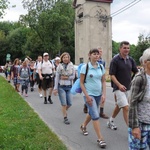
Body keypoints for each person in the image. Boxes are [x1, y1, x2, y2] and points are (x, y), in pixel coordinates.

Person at [107, 41, 138, 130]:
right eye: (124, 48)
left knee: (119, 105)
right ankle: (131, 129)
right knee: (126, 107)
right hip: (118, 88)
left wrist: (133, 80)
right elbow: (112, 75)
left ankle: (110, 121)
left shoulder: (130, 60)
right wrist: (119, 85)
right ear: (120, 49)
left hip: (128, 87)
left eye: (128, 48)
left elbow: (136, 71)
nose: (126, 50)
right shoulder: (115, 60)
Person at [80, 48, 106, 148]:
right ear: (89, 55)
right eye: (94, 54)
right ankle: (100, 138)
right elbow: (81, 83)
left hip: (98, 94)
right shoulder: (85, 67)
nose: (96, 56)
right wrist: (86, 96)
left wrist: (104, 94)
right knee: (95, 115)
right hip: (89, 94)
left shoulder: (100, 67)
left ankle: (83, 126)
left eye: (97, 54)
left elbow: (103, 81)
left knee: (91, 112)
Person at [128, 48, 150, 150]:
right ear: (145, 62)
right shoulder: (140, 79)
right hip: (140, 123)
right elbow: (132, 103)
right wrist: (134, 126)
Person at [53, 52, 75, 125]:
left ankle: (64, 110)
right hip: (61, 87)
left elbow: (73, 76)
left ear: (69, 58)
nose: (66, 59)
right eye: (64, 57)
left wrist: (66, 77)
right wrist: (55, 88)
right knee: (64, 103)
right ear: (62, 58)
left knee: (70, 103)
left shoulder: (72, 66)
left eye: (67, 57)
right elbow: (57, 78)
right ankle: (65, 117)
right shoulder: (59, 66)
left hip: (69, 86)